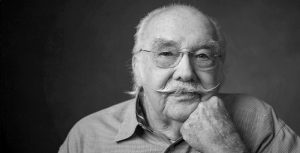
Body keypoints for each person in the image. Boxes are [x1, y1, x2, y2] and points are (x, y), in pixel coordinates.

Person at [58, 4, 300, 153]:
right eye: (166, 54)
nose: (186, 72)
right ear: (137, 67)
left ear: (220, 69)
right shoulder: (87, 137)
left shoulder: (257, 119)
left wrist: (224, 148)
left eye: (203, 55)